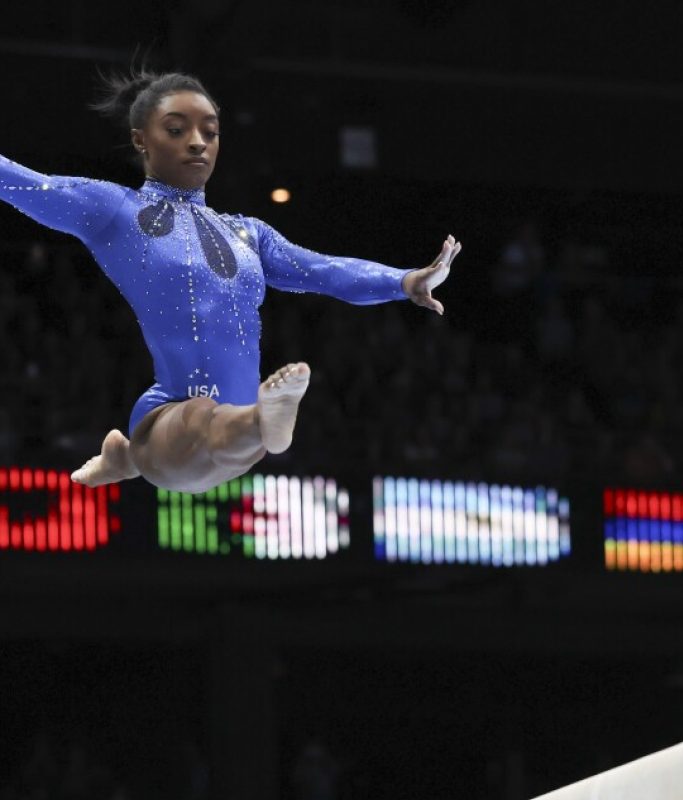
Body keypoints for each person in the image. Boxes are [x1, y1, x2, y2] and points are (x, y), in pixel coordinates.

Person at [0, 67, 461, 493]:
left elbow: (323, 270)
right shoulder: (115, 211)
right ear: (141, 140)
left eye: (210, 131)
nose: (197, 142)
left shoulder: (249, 234)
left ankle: (132, 455)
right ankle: (219, 431)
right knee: (205, 417)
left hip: (233, 434)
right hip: (170, 418)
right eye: (177, 130)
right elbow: (24, 184)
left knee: (227, 428)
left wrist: (403, 282)